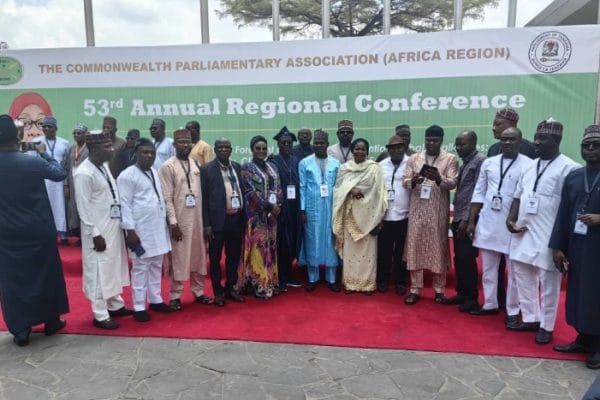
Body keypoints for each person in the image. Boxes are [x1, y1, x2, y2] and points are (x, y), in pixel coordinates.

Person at [506, 120, 580, 344]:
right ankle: (531, 318)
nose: (536, 142)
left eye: (542, 138)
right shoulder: (528, 165)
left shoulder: (570, 168)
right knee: (521, 273)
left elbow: (570, 208)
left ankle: (546, 326)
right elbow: (518, 195)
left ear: (556, 140)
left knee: (549, 282)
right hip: (524, 230)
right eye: (536, 137)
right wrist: (511, 218)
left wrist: (562, 241)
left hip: (550, 234)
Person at [0, 114, 69, 346]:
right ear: (17, 136)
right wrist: (43, 153)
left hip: (6, 233)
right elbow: (59, 174)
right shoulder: (31, 161)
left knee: (13, 279)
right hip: (38, 229)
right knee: (46, 274)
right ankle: (51, 321)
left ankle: (21, 329)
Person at [467, 128, 531, 322]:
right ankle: (490, 304)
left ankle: (512, 310)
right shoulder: (489, 163)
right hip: (488, 223)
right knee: (488, 268)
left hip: (512, 225)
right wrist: (471, 221)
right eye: (504, 139)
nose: (508, 143)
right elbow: (479, 192)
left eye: (512, 139)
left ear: (520, 141)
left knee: (513, 272)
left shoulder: (528, 165)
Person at [550, 125, 600, 369]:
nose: (590, 150)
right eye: (586, 146)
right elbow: (564, 213)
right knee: (580, 293)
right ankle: (584, 338)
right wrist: (557, 247)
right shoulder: (574, 176)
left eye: (596, 146)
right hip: (579, 247)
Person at [73, 131, 132, 330]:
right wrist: (94, 234)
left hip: (112, 227)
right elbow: (83, 207)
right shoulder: (84, 173)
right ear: (96, 149)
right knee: (99, 270)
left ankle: (115, 304)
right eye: (108, 146)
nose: (113, 149)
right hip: (97, 232)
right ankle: (100, 314)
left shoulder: (103, 166)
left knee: (112, 267)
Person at [117, 138, 173, 322]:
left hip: (157, 227)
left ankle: (155, 299)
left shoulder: (154, 172)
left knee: (157, 264)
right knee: (141, 267)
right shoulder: (127, 175)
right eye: (145, 152)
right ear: (136, 154)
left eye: (151, 153)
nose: (149, 155)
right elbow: (123, 205)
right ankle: (139, 305)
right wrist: (130, 231)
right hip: (139, 230)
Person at [402, 125, 458, 305]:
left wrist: (439, 179)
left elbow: (452, 183)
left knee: (438, 249)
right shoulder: (414, 158)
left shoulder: (450, 159)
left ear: (442, 140)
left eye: (435, 140)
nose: (431, 143)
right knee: (415, 247)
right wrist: (414, 180)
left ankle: (439, 290)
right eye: (428, 140)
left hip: (438, 212)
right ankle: (415, 289)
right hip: (417, 210)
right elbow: (405, 181)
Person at [487, 108, 536, 310]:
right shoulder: (492, 150)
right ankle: (494, 303)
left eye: (497, 123)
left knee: (516, 267)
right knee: (492, 266)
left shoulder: (531, 150)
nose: (493, 128)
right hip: (494, 218)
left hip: (516, 219)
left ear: (510, 125)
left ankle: (515, 308)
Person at [158, 129, 211, 310]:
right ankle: (175, 295)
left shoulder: (196, 164)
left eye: (188, 142)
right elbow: (166, 198)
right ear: (174, 145)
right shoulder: (167, 166)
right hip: (179, 222)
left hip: (197, 221)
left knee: (198, 257)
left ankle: (199, 292)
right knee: (179, 258)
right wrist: (173, 223)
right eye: (181, 142)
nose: (185, 145)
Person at [333, 138, 387, 295]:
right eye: (356, 149)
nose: (359, 151)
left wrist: (379, 218)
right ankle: (350, 284)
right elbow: (338, 189)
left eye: (363, 149)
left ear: (367, 152)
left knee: (368, 252)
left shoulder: (375, 168)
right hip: (350, 215)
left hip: (370, 216)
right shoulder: (345, 168)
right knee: (351, 252)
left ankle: (367, 285)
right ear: (352, 150)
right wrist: (350, 190)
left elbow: (380, 192)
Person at [441, 131, 486, 312]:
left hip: (468, 219)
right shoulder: (466, 162)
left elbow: (478, 192)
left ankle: (471, 297)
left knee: (468, 259)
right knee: (459, 258)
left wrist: (468, 220)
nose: (459, 148)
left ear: (473, 143)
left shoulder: (480, 161)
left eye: (463, 144)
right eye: (457, 145)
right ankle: (462, 292)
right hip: (459, 216)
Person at [201, 138, 246, 307]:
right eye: (221, 147)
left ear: (231, 149)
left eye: (227, 147)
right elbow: (204, 200)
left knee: (233, 257)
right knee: (215, 259)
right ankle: (218, 292)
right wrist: (206, 225)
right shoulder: (207, 169)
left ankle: (230, 288)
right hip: (217, 222)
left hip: (236, 219)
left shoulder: (236, 166)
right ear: (215, 149)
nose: (224, 149)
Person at [237, 135, 282, 299]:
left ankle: (270, 281)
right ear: (252, 150)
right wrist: (268, 206)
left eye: (264, 148)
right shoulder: (246, 168)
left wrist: (278, 205)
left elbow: (278, 188)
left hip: (272, 217)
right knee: (258, 249)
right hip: (255, 218)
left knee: (271, 247)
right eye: (258, 148)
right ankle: (258, 284)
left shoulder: (273, 167)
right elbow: (250, 192)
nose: (261, 151)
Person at [298, 130, 341, 292]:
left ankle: (331, 278)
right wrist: (302, 210)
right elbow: (302, 187)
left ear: (327, 144)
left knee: (331, 239)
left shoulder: (336, 163)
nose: (319, 145)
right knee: (312, 239)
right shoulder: (304, 163)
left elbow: (339, 187)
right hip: (312, 207)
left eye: (322, 142)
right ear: (313, 144)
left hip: (331, 207)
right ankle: (313, 277)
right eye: (316, 142)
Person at [376, 135, 411, 295]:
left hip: (405, 216)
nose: (396, 150)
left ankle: (400, 282)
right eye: (392, 148)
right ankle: (382, 280)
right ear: (388, 150)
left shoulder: (411, 164)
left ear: (404, 148)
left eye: (399, 147)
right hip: (385, 216)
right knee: (384, 251)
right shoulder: (381, 166)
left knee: (401, 253)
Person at [269, 126, 302, 289]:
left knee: (294, 239)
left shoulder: (296, 161)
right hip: (282, 208)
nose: (286, 146)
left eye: (289, 143)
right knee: (283, 242)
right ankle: (281, 277)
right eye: (283, 143)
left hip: (295, 206)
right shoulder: (273, 161)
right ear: (278, 144)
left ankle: (289, 274)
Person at [41, 116, 70, 245]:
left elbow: (67, 164)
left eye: (49, 126)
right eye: (44, 126)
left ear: (56, 128)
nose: (46, 129)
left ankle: (62, 234)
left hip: (59, 181)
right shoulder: (37, 142)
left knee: (60, 206)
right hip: (43, 181)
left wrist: (66, 184)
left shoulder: (64, 143)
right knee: (45, 207)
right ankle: (46, 234)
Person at [65, 123, 89, 244]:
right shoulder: (70, 149)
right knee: (73, 209)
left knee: (84, 208)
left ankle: (85, 236)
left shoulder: (90, 149)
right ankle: (77, 233)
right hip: (72, 184)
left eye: (79, 133)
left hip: (85, 184)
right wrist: (66, 185)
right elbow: (64, 168)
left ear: (85, 135)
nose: (76, 135)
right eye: (74, 133)